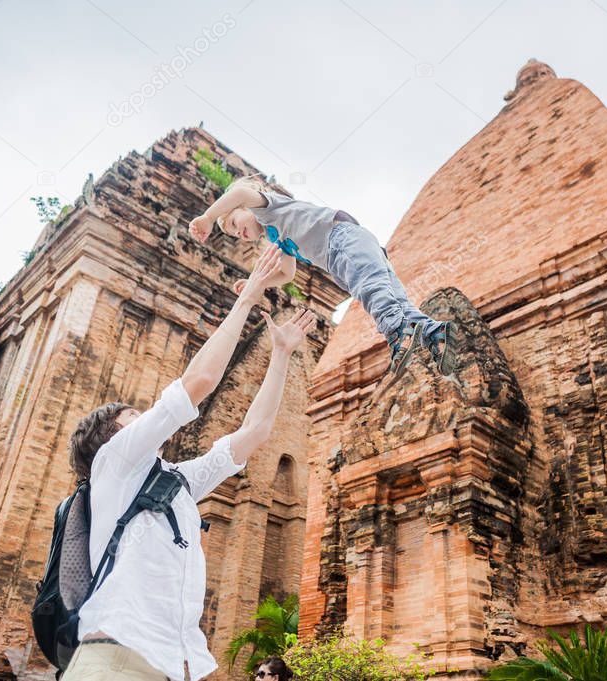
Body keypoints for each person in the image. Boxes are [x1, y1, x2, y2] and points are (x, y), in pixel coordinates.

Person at [61, 245, 317, 681]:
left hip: (170, 662)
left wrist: (281, 355)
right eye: (133, 418)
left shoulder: (175, 483)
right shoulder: (114, 462)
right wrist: (248, 296)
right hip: (113, 655)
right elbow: (198, 382)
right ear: (113, 435)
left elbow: (252, 435)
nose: (144, 421)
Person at [188, 178, 454, 378]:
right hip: (344, 252)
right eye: (234, 234)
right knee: (394, 297)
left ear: (244, 206)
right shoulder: (275, 235)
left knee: (372, 289)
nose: (238, 233)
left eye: (234, 222)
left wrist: (209, 217)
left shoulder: (265, 207)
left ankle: (397, 332)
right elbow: (287, 273)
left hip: (340, 240)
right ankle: (435, 334)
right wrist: (257, 283)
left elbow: (240, 192)